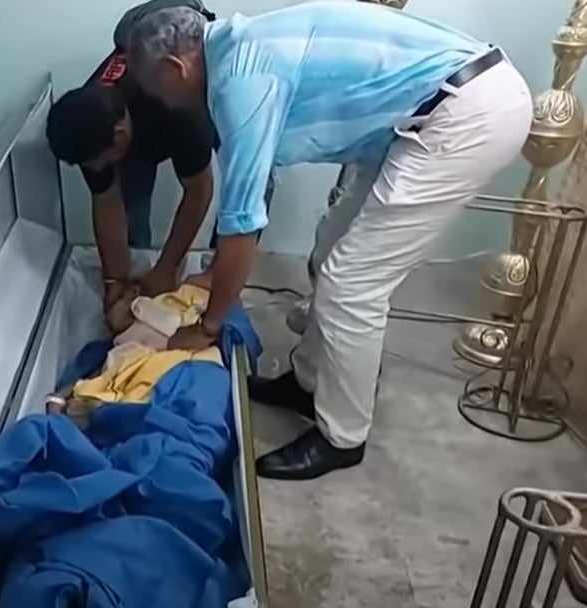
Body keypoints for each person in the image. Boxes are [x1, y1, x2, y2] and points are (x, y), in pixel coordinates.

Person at [126, 1, 532, 480]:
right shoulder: (239, 47)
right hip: (431, 110)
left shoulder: (241, 80)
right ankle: (309, 383)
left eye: (158, 91)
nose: (165, 105)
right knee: (328, 251)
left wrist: (209, 325)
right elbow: (254, 191)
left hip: (466, 114)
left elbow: (242, 222)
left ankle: (343, 437)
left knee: (352, 282)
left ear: (176, 67)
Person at [46, 1, 218, 319]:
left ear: (121, 133)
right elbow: (106, 200)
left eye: (99, 163)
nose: (97, 171)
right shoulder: (88, 125)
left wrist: (167, 267)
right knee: (132, 208)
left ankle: (216, 273)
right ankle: (135, 277)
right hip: (135, 133)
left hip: (192, 102)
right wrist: (114, 282)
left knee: (241, 186)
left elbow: (199, 191)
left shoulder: (181, 108)